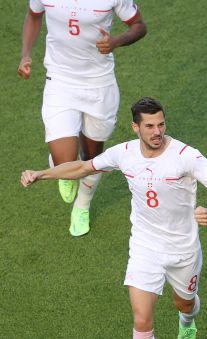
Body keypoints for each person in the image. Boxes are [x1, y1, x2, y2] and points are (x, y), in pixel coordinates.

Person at [21, 97, 207, 339]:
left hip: (182, 250)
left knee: (184, 304)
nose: (157, 131)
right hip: (145, 248)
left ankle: (188, 322)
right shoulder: (123, 153)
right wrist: (41, 173)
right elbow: (81, 167)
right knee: (142, 320)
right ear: (136, 127)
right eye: (149, 125)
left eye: (161, 124)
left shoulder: (186, 156)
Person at [19, 0, 147, 237]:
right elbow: (33, 15)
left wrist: (115, 42)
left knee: (92, 158)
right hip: (60, 81)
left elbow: (139, 26)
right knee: (63, 162)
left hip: (99, 85)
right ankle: (63, 169)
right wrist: (25, 55)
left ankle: (83, 205)